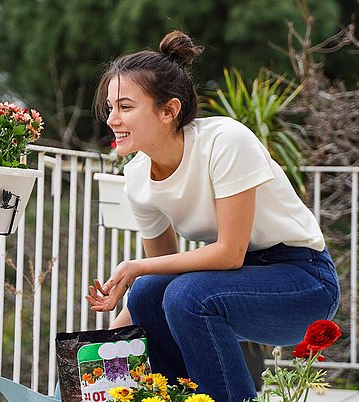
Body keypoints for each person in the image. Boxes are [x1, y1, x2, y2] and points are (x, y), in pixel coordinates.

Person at [86, 31, 340, 402]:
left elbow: (230, 252)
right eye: (110, 107)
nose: (112, 119)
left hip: (303, 281)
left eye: (125, 106)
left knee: (187, 295)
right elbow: (155, 281)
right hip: (229, 284)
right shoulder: (137, 178)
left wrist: (135, 268)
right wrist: (102, 347)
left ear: (169, 110)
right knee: (152, 293)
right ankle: (175, 397)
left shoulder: (225, 142)